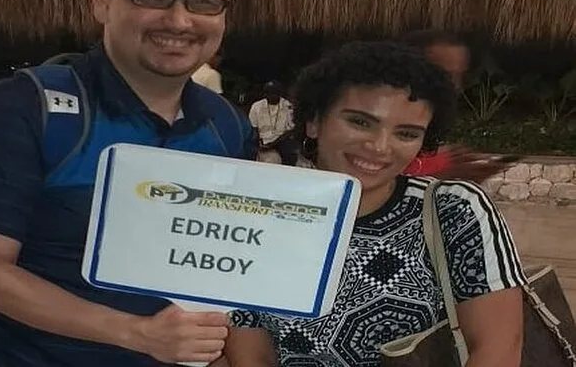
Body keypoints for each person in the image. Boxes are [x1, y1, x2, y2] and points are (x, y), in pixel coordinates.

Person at [0, 0, 255, 367]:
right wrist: (136, 333)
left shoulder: (225, 124)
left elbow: (228, 265)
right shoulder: (28, 105)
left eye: (204, 2)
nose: (179, 21)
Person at [224, 41, 526, 367]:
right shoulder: (258, 219)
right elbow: (250, 354)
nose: (380, 147)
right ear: (313, 121)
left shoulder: (454, 211)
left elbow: (498, 348)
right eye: (360, 122)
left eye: (406, 133)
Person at [400, 29, 512, 182]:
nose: (456, 85)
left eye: (459, 76)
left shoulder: (430, 137)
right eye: (446, 75)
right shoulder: (383, 121)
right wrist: (443, 178)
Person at [248, 81, 298, 166]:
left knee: (290, 153)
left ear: (279, 94)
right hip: (262, 140)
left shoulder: (288, 106)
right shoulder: (256, 106)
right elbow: (254, 128)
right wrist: (258, 142)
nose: (271, 96)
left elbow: (290, 130)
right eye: (268, 93)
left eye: (274, 93)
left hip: (281, 140)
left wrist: (273, 144)